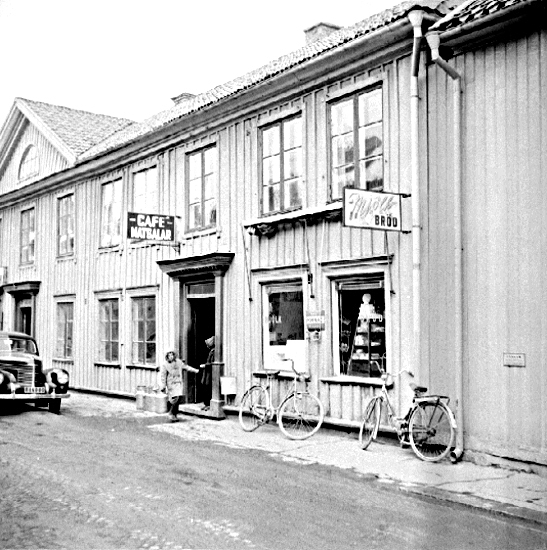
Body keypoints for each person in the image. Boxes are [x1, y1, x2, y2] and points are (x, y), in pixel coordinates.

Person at [159, 350, 200, 422]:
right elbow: (163, 376)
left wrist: (196, 370)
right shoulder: (165, 365)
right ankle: (171, 413)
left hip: (178, 383)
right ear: (167, 356)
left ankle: (174, 414)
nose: (171, 356)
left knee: (178, 398)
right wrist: (163, 385)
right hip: (171, 383)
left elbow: (186, 367)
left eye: (172, 355)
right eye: (169, 355)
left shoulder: (178, 362)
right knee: (175, 398)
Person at [200, 336, 215, 411]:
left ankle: (208, 405)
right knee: (205, 387)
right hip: (207, 373)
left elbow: (212, 363)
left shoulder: (214, 352)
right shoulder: (211, 351)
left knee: (208, 388)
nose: (207, 346)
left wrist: (205, 365)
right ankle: (206, 404)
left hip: (210, 373)